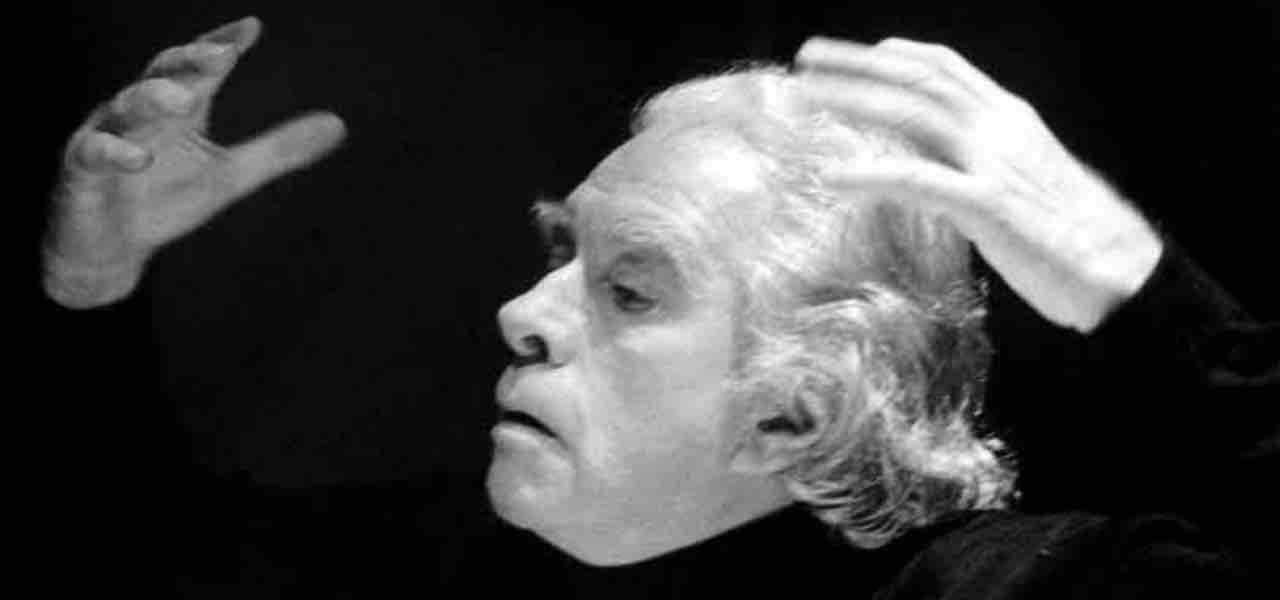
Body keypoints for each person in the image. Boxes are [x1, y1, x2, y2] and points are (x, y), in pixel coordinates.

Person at [45, 16, 1275, 597]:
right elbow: (122, 551)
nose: (521, 311)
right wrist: (92, 278)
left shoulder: (1013, 594)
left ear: (792, 413)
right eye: (561, 251)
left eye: (629, 287)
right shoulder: (464, 564)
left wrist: (1136, 282)